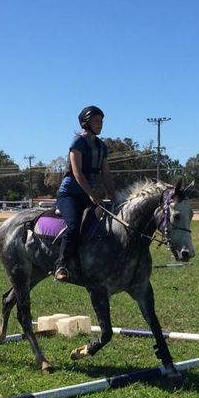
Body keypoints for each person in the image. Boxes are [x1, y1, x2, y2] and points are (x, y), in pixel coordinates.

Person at [53, 106, 116, 281]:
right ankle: (62, 264)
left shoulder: (102, 147)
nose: (100, 124)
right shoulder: (77, 143)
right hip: (70, 195)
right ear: (85, 123)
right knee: (74, 226)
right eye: (96, 121)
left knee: (105, 226)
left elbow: (106, 174)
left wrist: (113, 195)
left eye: (101, 121)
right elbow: (77, 173)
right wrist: (91, 194)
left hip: (90, 195)